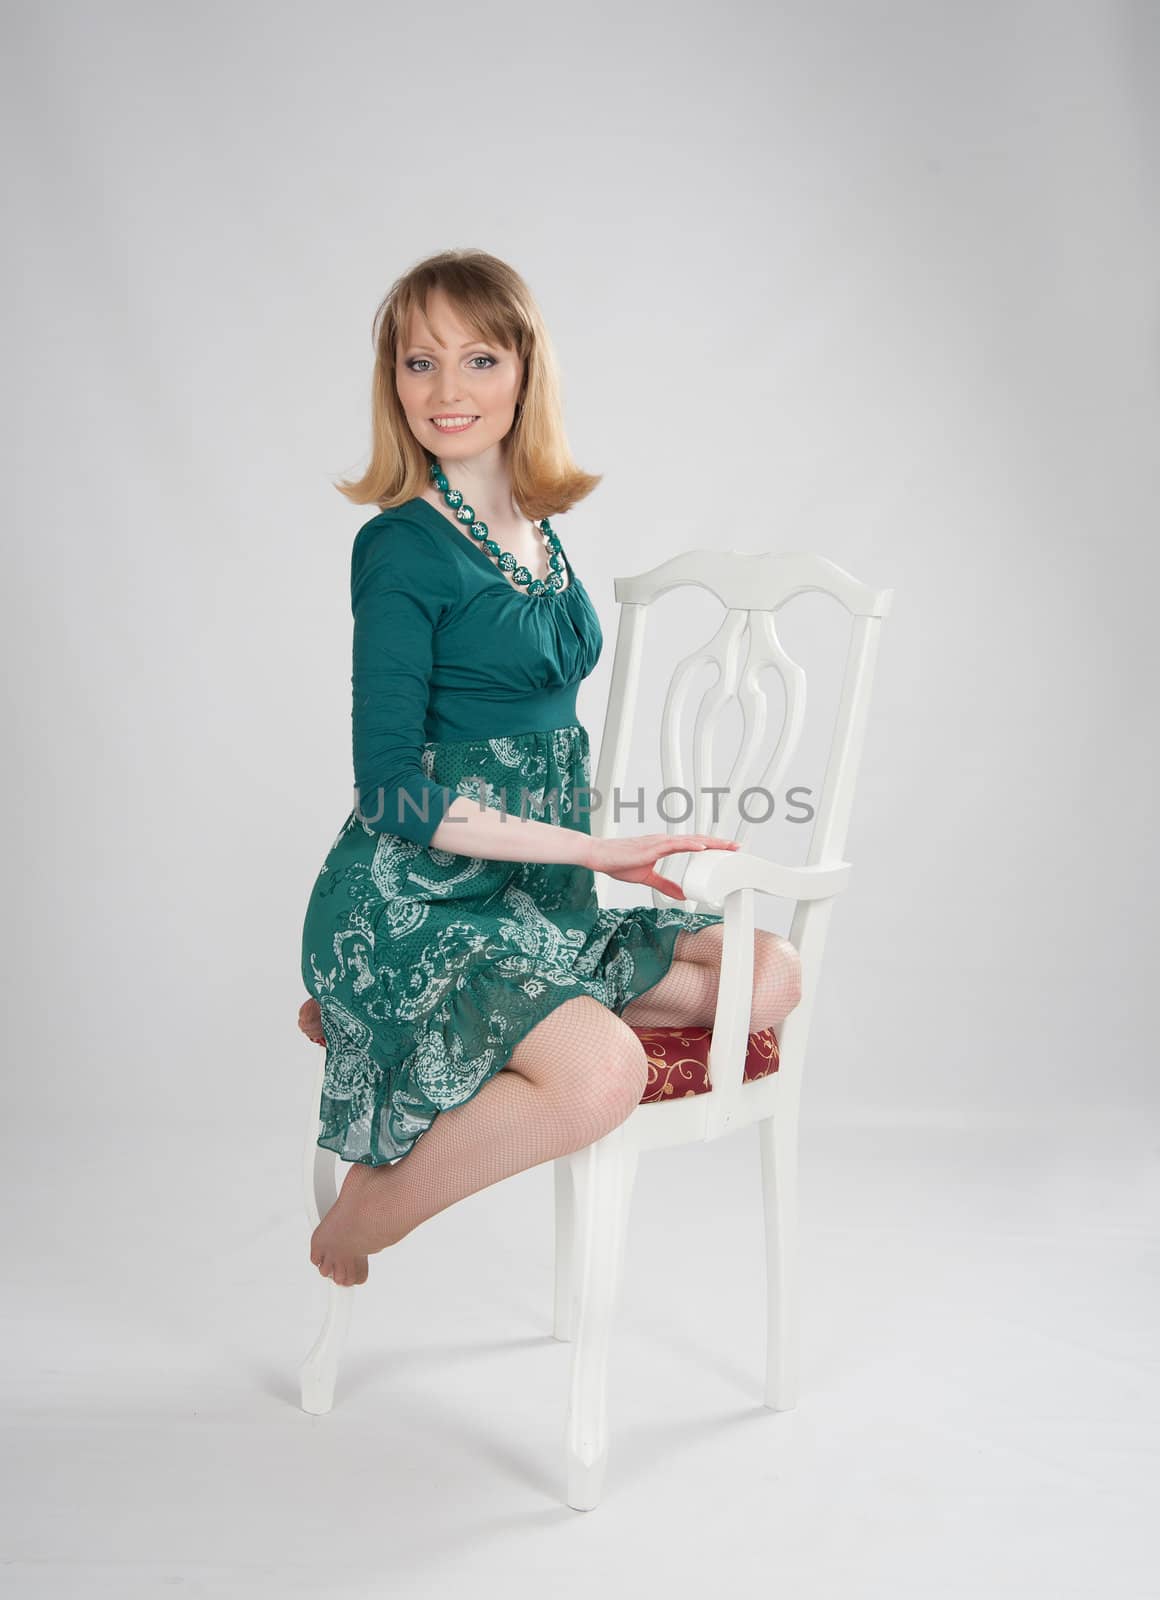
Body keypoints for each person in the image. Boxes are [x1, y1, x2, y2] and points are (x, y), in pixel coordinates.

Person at [298, 249, 803, 1286]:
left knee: (774, 975)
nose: (446, 391)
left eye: (478, 359)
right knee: (599, 1077)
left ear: (526, 371)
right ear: (391, 381)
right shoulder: (400, 547)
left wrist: (585, 863)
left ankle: (439, 1023)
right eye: (418, 363)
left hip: (535, 898)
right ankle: (362, 1212)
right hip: (415, 897)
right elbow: (391, 786)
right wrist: (605, 849)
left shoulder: (537, 530)